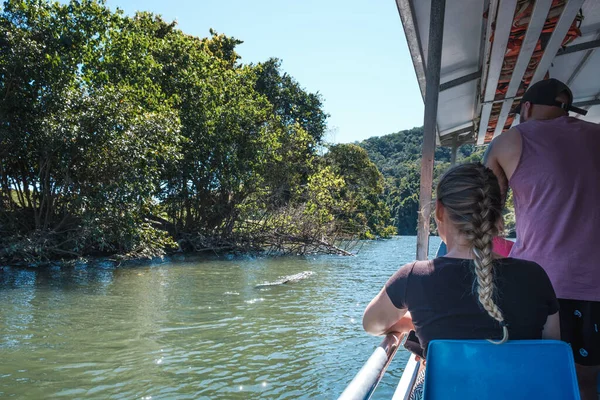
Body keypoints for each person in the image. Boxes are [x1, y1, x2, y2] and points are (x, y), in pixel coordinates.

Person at [362, 163, 560, 398]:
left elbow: (372, 324)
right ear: (496, 214)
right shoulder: (535, 276)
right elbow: (551, 348)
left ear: (439, 211)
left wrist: (414, 322)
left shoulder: (414, 277)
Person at [484, 78, 600, 399]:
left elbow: (484, 217)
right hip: (595, 287)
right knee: (587, 383)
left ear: (526, 108)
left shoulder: (509, 141)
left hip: (536, 284)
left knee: (533, 377)